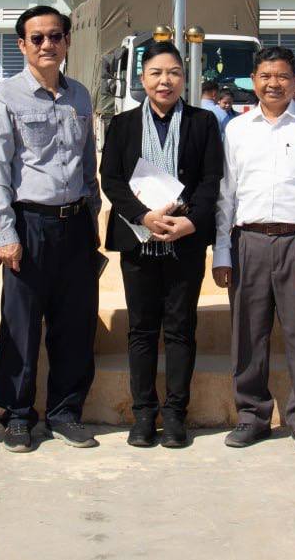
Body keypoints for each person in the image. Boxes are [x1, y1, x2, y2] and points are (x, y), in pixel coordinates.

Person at [0, 5, 102, 453]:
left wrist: (92, 222)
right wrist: (6, 233)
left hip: (75, 223)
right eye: (37, 38)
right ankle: (17, 415)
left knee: (75, 323)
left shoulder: (80, 96)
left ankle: (65, 412)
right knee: (21, 324)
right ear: (22, 45)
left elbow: (88, 164)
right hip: (29, 223)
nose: (47, 44)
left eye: (55, 36)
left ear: (68, 41)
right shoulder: (6, 97)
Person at [212, 45, 295, 452]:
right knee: (248, 334)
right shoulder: (237, 129)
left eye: (282, 76)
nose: (273, 84)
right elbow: (226, 194)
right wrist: (223, 251)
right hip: (248, 241)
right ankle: (252, 415)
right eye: (265, 76)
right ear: (254, 81)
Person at [101, 41, 224, 448]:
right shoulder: (122, 124)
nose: (164, 81)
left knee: (181, 329)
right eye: (155, 73)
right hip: (139, 241)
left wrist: (190, 222)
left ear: (184, 78)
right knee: (141, 330)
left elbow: (211, 180)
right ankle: (143, 414)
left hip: (184, 242)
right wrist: (143, 216)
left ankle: (174, 414)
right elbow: (111, 180)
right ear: (142, 79)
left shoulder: (203, 122)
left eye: (173, 72)